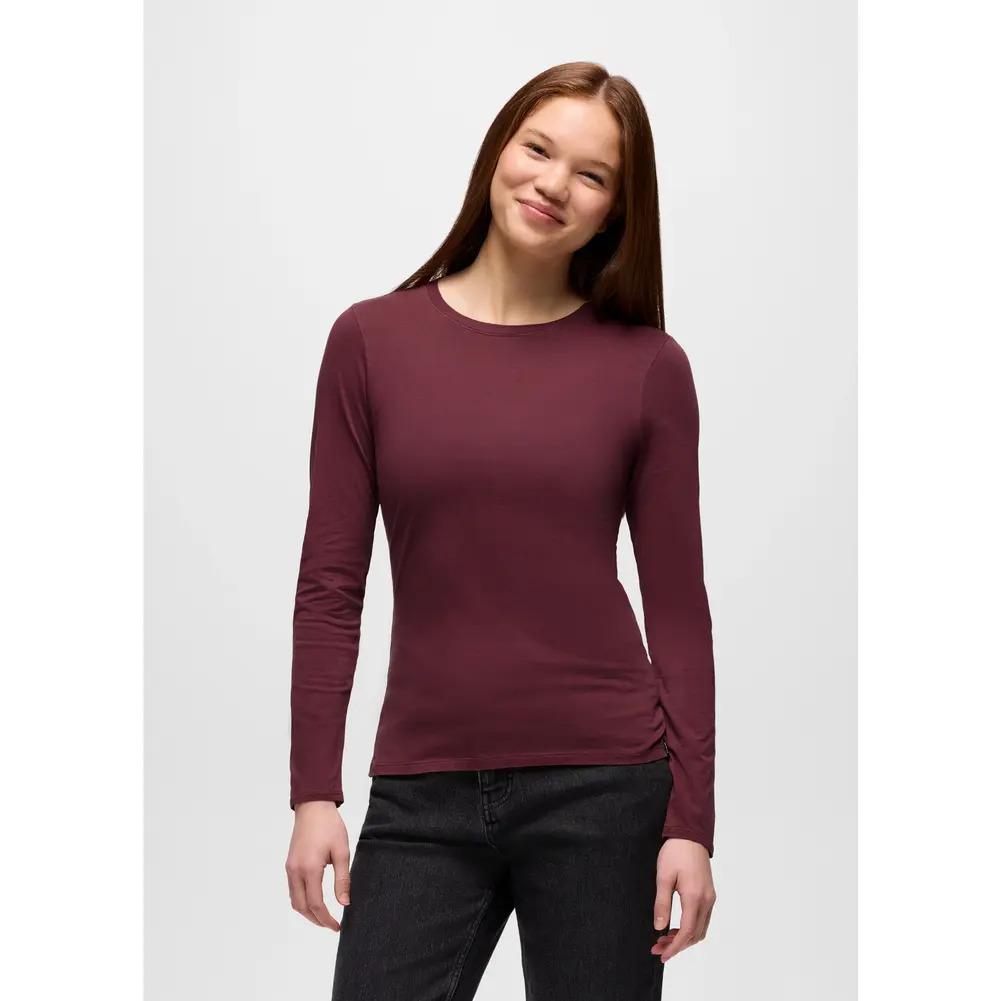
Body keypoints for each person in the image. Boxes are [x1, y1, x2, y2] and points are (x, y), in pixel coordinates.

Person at [285, 60, 717, 1000]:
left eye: (591, 175)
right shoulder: (370, 342)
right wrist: (314, 792)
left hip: (605, 788)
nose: (553, 184)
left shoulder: (647, 368)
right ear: (498, 150)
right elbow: (330, 584)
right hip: (422, 790)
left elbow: (678, 611)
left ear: (614, 211)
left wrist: (691, 822)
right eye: (538, 148)